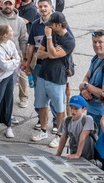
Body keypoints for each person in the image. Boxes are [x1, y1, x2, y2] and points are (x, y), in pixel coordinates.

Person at [31, 10, 74, 146]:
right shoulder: (51, 33)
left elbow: (54, 55)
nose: (48, 27)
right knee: (42, 105)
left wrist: (49, 40)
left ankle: (59, 135)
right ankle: (43, 130)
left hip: (57, 77)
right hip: (43, 74)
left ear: (59, 25)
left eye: (51, 25)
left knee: (59, 108)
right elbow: (39, 54)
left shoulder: (69, 41)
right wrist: (51, 51)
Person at [54, 95, 95, 160]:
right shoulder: (66, 120)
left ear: (83, 109)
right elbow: (63, 137)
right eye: (71, 108)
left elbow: (83, 137)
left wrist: (78, 154)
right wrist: (58, 153)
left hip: (87, 156)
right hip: (73, 154)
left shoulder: (87, 119)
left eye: (76, 109)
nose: (73, 111)